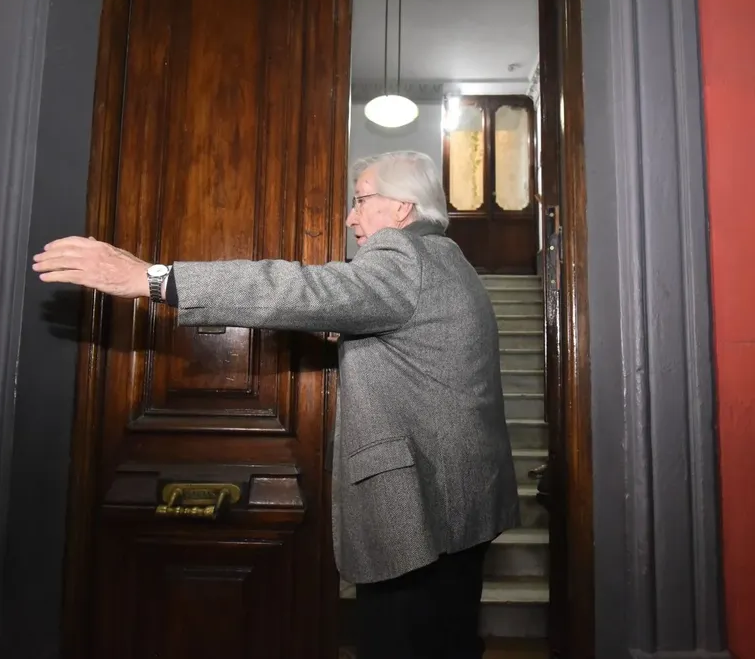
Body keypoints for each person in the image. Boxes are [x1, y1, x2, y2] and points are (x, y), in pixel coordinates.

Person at [32, 150, 520, 659]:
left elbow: (303, 287)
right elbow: (407, 342)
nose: (351, 217)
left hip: (422, 507)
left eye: (360, 201)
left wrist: (157, 280)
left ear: (401, 209)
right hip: (464, 499)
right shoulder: (448, 262)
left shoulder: (402, 256)